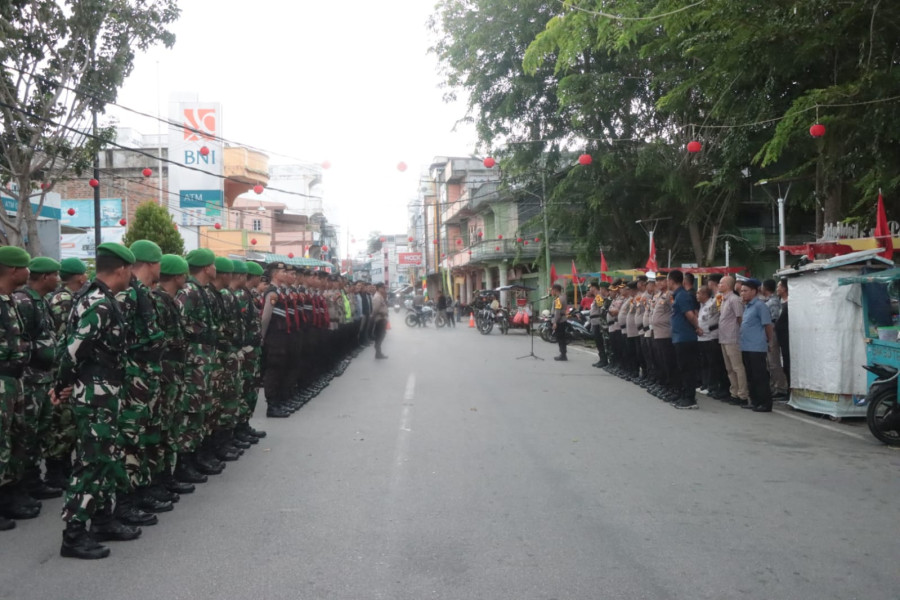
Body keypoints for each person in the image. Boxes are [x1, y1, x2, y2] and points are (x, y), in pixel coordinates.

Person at [52, 242, 138, 559]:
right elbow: (74, 349)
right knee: (90, 463)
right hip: (95, 393)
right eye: (130, 270)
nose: (132, 275)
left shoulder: (95, 298)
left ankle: (102, 519)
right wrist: (61, 383)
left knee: (105, 459)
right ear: (121, 269)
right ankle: (73, 535)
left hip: (104, 391)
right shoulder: (99, 304)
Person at [13, 257, 63, 505]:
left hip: (43, 377)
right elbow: (16, 341)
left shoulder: (39, 301)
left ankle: (33, 481)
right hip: (29, 377)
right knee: (25, 434)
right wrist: (42, 347)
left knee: (39, 432)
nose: (58, 279)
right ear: (45, 277)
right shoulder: (23, 302)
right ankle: (18, 487)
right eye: (55, 274)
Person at [0, 246, 32, 531]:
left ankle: (9, 495)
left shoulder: (9, 299)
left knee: (13, 437)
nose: (29, 272)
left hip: (13, 379)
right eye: (25, 267)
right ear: (13, 270)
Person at [667, 270, 701, 409]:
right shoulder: (677, 295)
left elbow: (690, 315)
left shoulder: (682, 296)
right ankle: (683, 394)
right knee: (682, 368)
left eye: (668, 280)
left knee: (687, 369)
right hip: (679, 337)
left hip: (685, 337)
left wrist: (697, 327)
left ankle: (690, 398)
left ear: (672, 280)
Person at [740, 279, 775, 412]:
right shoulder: (747, 306)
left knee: (759, 375)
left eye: (745, 291)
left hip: (757, 347)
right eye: (741, 291)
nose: (742, 293)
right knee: (750, 375)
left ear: (754, 291)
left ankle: (765, 403)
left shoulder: (760, 306)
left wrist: (769, 342)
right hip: (746, 346)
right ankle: (754, 401)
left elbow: (768, 326)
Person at [717, 276, 749, 407]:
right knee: (729, 368)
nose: (719, 285)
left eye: (721, 283)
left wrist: (741, 334)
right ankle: (734, 392)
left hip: (733, 337)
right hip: (724, 337)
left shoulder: (734, 299)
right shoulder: (724, 299)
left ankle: (743, 394)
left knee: (737, 367)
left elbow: (740, 318)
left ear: (728, 285)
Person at [762, 279, 789, 400]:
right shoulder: (772, 301)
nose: (778, 288)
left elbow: (773, 320)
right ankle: (774, 386)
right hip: (768, 333)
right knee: (769, 362)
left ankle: (780, 387)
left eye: (780, 286)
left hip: (772, 332)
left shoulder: (773, 302)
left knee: (774, 362)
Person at [588, 281, 610, 368]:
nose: (590, 289)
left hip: (598, 322)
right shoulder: (596, 297)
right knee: (598, 342)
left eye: (591, 287)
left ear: (594, 288)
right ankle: (602, 359)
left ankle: (603, 360)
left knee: (600, 342)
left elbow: (602, 307)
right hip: (595, 321)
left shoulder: (598, 297)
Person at [775, 278, 790, 388]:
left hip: (787, 339)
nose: (777, 289)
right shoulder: (778, 302)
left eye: (779, 286)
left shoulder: (790, 303)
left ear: (784, 288)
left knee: (788, 364)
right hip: (779, 339)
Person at [550, 283, 568, 361]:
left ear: (555, 290)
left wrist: (555, 322)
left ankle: (563, 355)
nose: (551, 292)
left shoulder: (558, 299)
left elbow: (557, 312)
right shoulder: (562, 297)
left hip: (560, 321)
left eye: (552, 290)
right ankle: (563, 354)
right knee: (562, 338)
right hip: (562, 320)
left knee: (560, 339)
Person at [372, 283, 389, 359]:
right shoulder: (377, 297)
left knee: (382, 335)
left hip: (383, 318)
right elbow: (375, 309)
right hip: (380, 318)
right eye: (382, 288)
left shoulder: (380, 296)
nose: (384, 289)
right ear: (378, 288)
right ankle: (378, 353)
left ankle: (378, 352)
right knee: (380, 335)